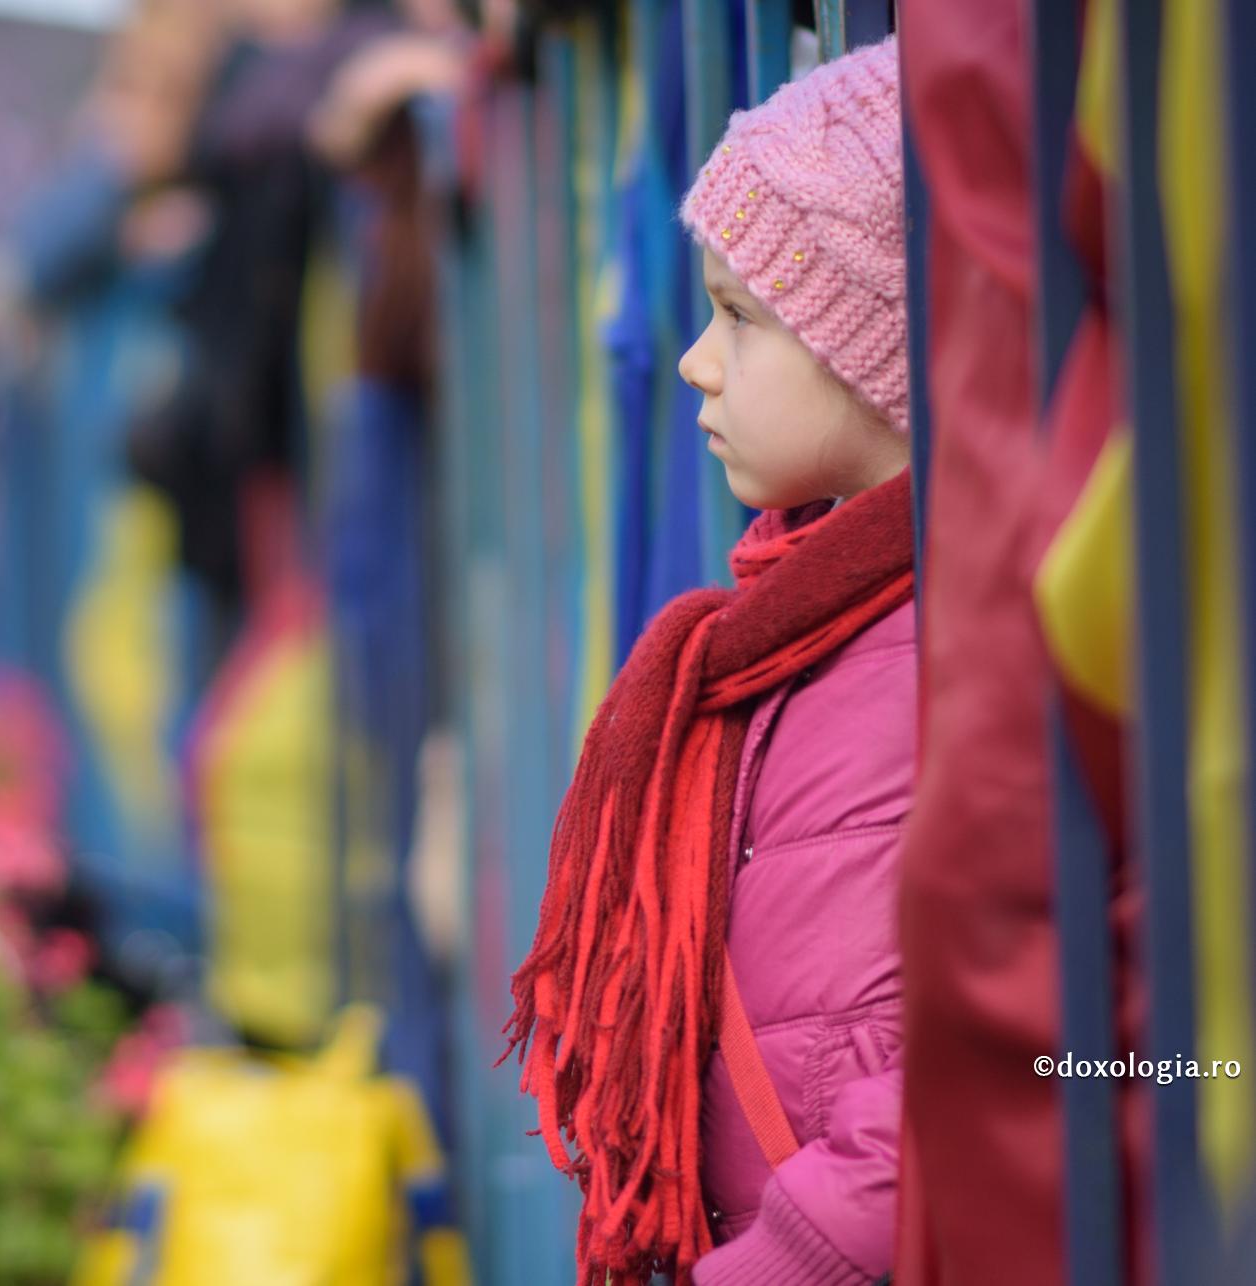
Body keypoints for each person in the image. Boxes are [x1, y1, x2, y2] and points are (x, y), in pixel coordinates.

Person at [502, 37, 911, 1286]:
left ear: (876, 342)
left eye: (740, 315)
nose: (694, 357)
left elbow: (996, 1075)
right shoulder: (800, 620)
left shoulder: (946, 652)